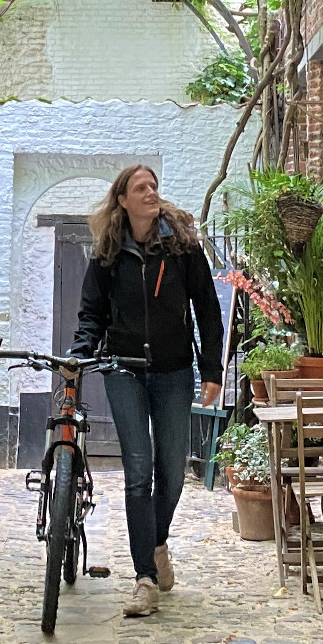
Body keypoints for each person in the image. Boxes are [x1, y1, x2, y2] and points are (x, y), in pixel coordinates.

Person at [71, 163, 225, 618]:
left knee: (172, 471)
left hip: (175, 370)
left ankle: (157, 543)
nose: (151, 192)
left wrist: (212, 370)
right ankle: (144, 578)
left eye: (154, 185)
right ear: (122, 199)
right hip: (123, 370)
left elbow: (209, 311)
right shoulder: (107, 252)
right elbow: (90, 315)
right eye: (141, 187)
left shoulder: (181, 246)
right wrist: (79, 356)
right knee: (138, 470)